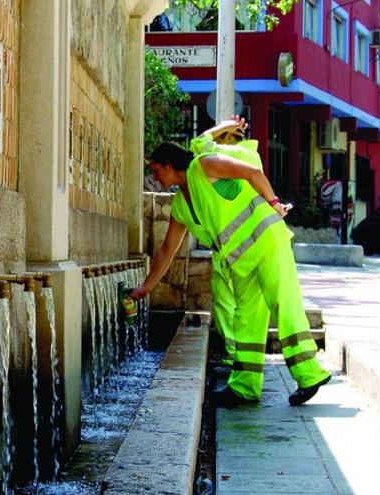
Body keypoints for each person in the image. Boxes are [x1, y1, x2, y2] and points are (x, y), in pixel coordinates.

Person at [132, 120, 331, 407]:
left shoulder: (203, 165)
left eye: (155, 168)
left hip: (266, 241)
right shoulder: (180, 206)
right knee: (246, 318)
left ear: (168, 164)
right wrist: (145, 288)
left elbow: (251, 172)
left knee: (283, 305)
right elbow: (166, 251)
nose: (154, 175)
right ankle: (245, 386)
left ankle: (310, 374)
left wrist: (274, 202)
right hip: (241, 259)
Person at [178, 117, 267, 378]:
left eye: (221, 139)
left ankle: (233, 358)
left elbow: (199, 143)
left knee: (232, 305)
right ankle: (239, 362)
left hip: (233, 244)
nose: (215, 145)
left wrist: (224, 125)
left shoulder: (231, 155)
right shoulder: (250, 155)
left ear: (228, 140)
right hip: (244, 244)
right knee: (240, 306)